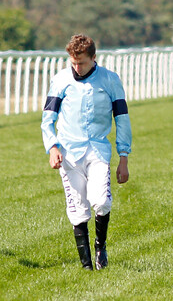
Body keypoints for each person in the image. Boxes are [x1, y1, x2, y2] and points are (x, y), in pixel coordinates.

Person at [41, 34, 132, 270]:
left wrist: (124, 158)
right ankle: (87, 267)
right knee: (78, 210)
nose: (77, 68)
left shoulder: (111, 80)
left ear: (94, 58)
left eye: (81, 62)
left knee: (101, 202)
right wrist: (52, 147)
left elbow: (122, 119)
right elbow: (47, 119)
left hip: (98, 151)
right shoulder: (60, 80)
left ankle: (101, 247)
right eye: (73, 62)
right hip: (69, 154)